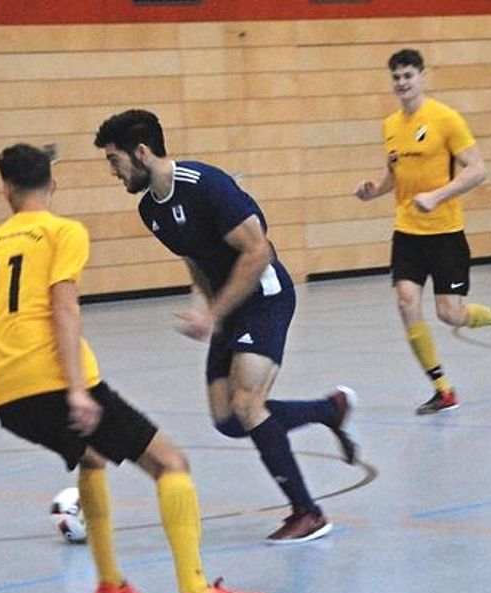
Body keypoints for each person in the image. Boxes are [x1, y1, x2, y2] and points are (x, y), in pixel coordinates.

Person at [0, 143, 267, 593]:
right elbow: (64, 308)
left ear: (7, 190)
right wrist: (78, 390)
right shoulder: (62, 233)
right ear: (51, 185)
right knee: (170, 463)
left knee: (92, 458)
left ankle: (110, 587)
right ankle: (196, 592)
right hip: (55, 382)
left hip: (7, 398)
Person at [94, 110, 358, 545]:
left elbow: (258, 252)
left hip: (265, 297)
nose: (113, 171)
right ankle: (328, 410)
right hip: (229, 305)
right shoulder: (151, 210)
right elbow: (195, 258)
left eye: (114, 159)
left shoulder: (206, 185)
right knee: (228, 420)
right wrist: (206, 307)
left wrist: (214, 314)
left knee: (248, 404)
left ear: (141, 153)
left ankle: (308, 512)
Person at [352, 48, 491, 415]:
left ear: (423, 76)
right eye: (396, 78)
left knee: (450, 313)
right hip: (407, 233)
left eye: (408, 76)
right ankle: (443, 389)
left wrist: (438, 195)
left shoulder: (446, 119)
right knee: (406, 302)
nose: (402, 83)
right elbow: (395, 175)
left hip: (445, 233)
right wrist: (374, 190)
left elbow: (478, 169)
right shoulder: (389, 126)